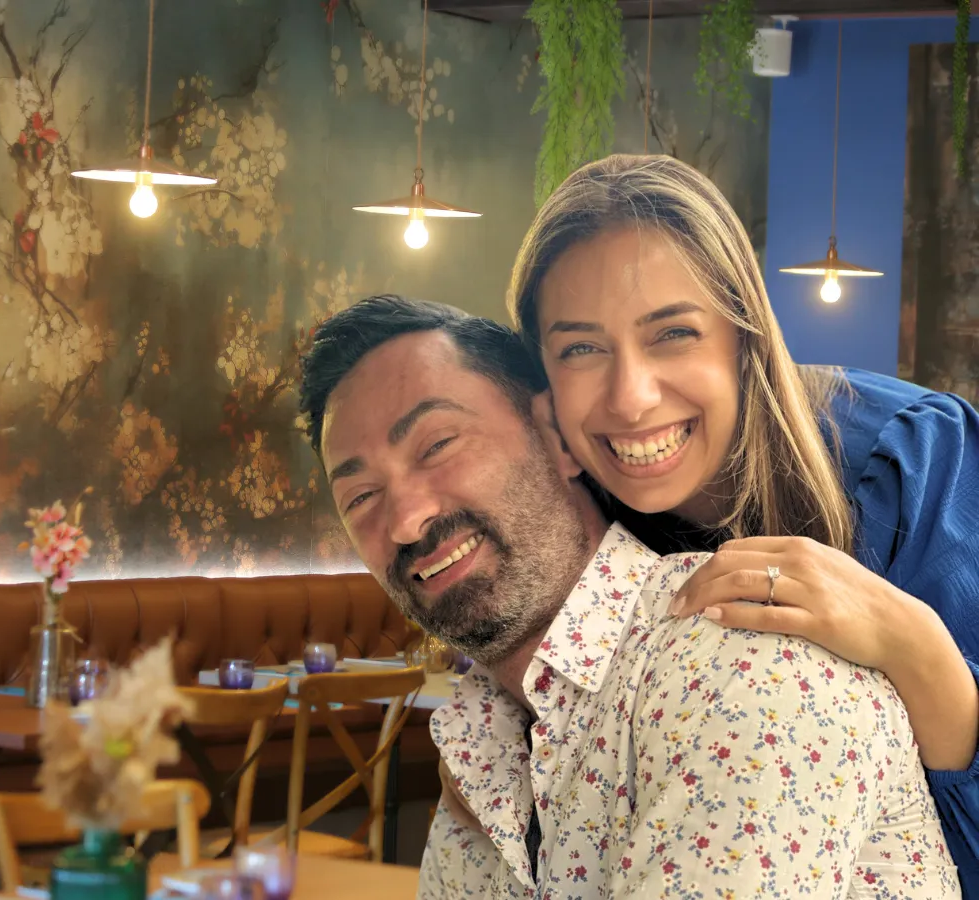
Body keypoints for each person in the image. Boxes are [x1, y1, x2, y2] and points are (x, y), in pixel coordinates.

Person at [298, 294, 959, 899]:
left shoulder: (741, 662)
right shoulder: (484, 738)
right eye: (361, 497)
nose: (406, 521)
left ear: (558, 437)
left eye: (437, 445)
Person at [506, 153, 979, 894]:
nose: (630, 398)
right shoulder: (580, 545)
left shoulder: (914, 463)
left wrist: (910, 644)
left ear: (744, 334)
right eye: (582, 349)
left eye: (672, 334)